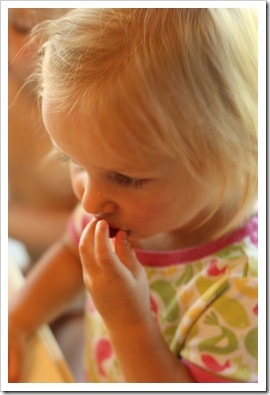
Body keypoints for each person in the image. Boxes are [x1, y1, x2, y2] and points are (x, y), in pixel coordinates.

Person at [8, 8, 258, 383]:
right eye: (73, 162)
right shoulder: (121, 211)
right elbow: (69, 255)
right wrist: (15, 324)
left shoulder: (245, 292)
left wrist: (127, 318)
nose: (90, 202)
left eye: (125, 178)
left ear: (231, 153)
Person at [8, 8, 78, 263]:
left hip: (84, 280)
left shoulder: (87, 114)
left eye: (22, 27)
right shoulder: (12, 88)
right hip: (33, 267)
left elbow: (93, 230)